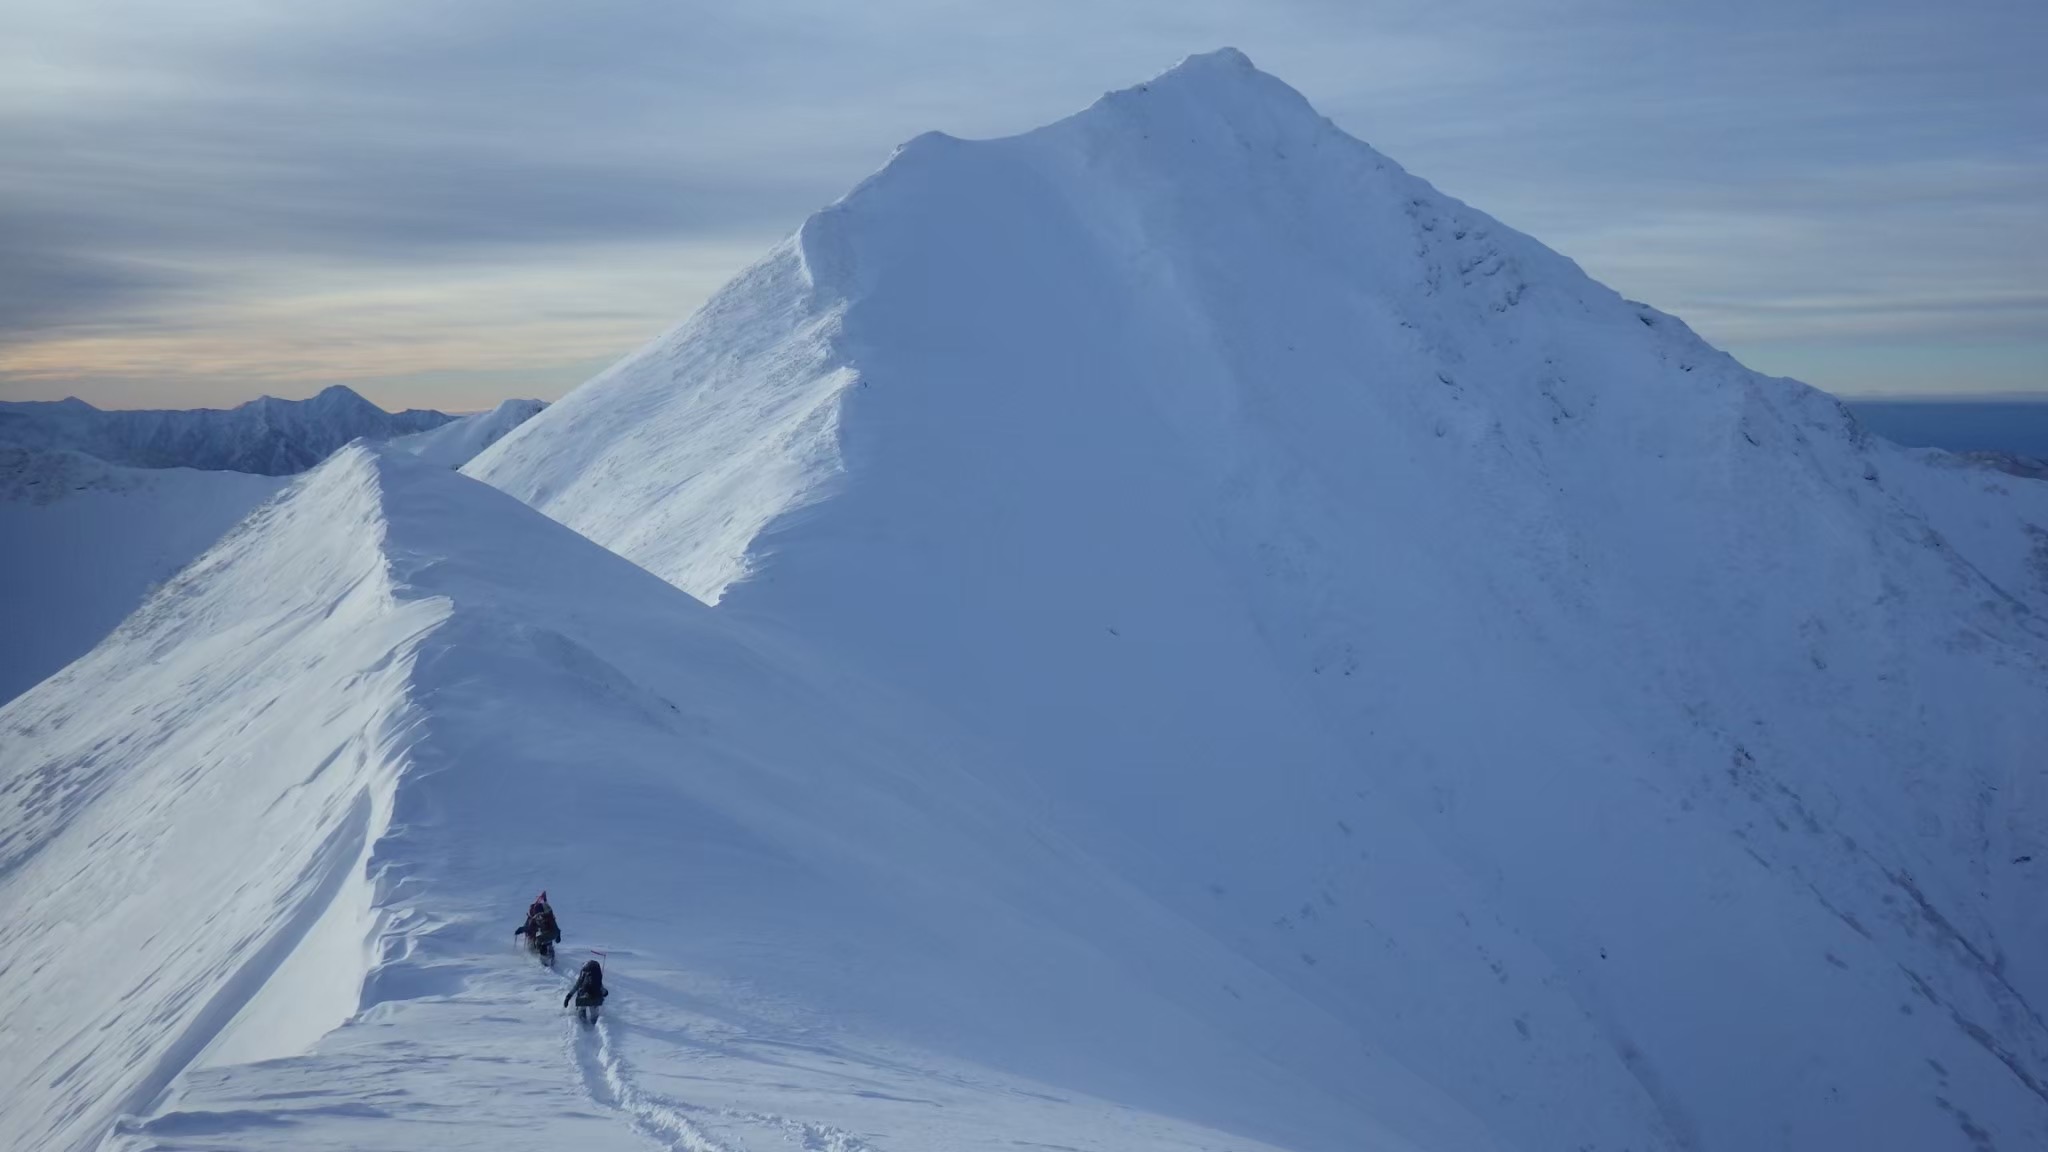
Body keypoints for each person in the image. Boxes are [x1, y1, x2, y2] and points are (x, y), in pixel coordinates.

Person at [513, 891, 562, 964]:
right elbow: (529, 927)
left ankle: (543, 955)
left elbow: (529, 927)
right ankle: (547, 954)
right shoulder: (546, 916)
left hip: (541, 936)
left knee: (538, 943)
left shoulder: (541, 917)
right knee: (541, 942)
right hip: (541, 935)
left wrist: (521, 929)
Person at [565, 959, 608, 1024]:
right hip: (595, 998)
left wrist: (568, 996)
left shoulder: (583, 975)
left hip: (584, 997)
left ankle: (583, 1022)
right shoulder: (596, 976)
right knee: (594, 1014)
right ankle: (595, 1024)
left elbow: (576, 986)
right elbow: (602, 989)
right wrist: (605, 992)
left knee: (582, 1009)